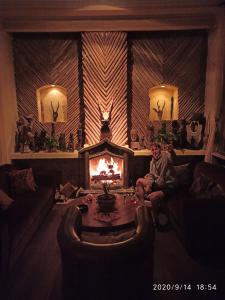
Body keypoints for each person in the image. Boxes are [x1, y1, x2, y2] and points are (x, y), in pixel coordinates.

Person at [136, 142, 177, 226]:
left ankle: (155, 220)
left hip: (169, 186)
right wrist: (148, 185)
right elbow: (151, 175)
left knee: (152, 197)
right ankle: (143, 207)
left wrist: (171, 151)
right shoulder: (152, 161)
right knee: (139, 181)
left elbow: (172, 157)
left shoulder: (166, 156)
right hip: (158, 184)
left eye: (156, 149)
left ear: (160, 149)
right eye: (153, 150)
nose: (155, 151)